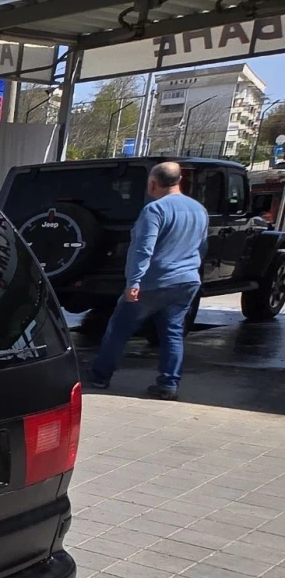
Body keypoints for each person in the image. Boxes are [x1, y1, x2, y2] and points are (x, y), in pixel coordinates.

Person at [86, 159, 207, 400]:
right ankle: (169, 384)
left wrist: (134, 282)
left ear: (153, 184)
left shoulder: (155, 210)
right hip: (187, 281)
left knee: (119, 328)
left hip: (154, 282)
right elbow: (202, 247)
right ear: (179, 180)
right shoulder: (198, 210)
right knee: (172, 331)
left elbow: (143, 248)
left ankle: (100, 376)